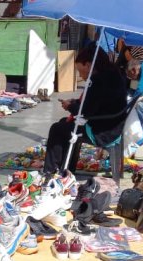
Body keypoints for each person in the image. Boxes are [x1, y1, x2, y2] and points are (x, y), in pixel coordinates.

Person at [43, 46, 128, 175]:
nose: (81, 75)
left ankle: (50, 172)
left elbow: (85, 112)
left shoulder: (97, 80)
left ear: (88, 65)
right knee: (64, 124)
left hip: (102, 131)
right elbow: (95, 102)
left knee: (57, 128)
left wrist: (70, 106)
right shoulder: (114, 74)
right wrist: (76, 103)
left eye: (80, 71)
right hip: (112, 126)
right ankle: (65, 169)